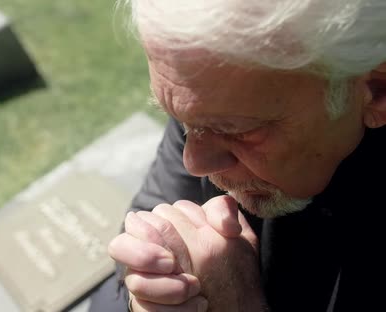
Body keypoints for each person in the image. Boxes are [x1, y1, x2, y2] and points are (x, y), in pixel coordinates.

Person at [88, 1, 386, 311]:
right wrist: (153, 292)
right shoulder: (213, 94)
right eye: (185, 124)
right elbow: (133, 249)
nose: (195, 164)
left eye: (237, 131)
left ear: (377, 90)